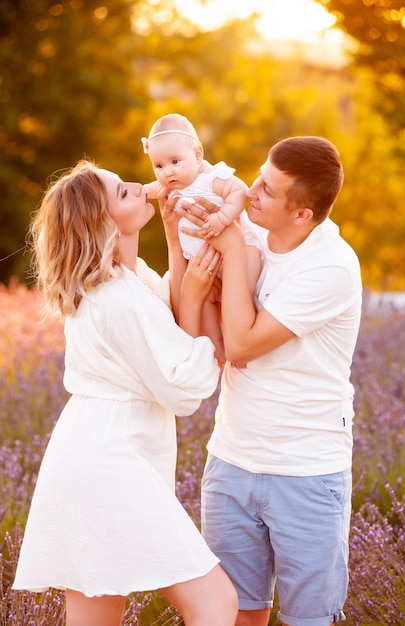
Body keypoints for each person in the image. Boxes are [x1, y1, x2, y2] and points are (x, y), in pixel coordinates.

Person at [12, 159, 238, 626]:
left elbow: (166, 320)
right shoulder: (116, 299)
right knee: (216, 602)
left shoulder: (126, 281)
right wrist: (194, 301)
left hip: (92, 450)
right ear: (103, 223)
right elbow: (183, 391)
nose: (137, 185)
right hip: (109, 461)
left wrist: (175, 238)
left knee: (97, 610)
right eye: (120, 192)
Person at [171, 136, 363, 626]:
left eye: (268, 190)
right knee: (235, 612)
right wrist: (176, 237)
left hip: (306, 472)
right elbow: (207, 345)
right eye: (258, 176)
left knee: (308, 619)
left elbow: (241, 345)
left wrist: (232, 247)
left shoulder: (330, 266)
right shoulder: (252, 232)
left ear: (302, 214)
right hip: (232, 461)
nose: (250, 190)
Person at [141, 113, 262, 367]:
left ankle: (236, 335)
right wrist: (138, 193)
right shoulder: (171, 185)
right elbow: (147, 191)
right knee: (205, 297)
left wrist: (224, 216)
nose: (168, 172)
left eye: (175, 161)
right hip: (204, 259)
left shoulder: (211, 177)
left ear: (197, 154)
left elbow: (239, 191)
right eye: (159, 166)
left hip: (237, 253)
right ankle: (218, 348)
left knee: (240, 285)